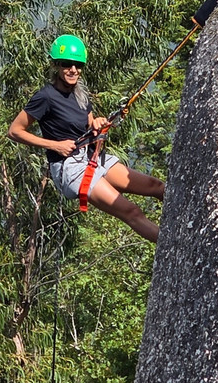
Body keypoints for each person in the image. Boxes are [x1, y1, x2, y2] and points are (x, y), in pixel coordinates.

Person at [8, 34, 165, 242]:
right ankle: (176, 249)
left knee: (156, 186)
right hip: (70, 167)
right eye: (67, 64)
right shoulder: (45, 97)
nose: (73, 70)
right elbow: (15, 131)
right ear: (56, 66)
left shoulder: (80, 93)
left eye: (78, 65)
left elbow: (90, 124)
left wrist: (98, 122)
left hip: (91, 154)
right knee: (131, 211)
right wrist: (55, 145)